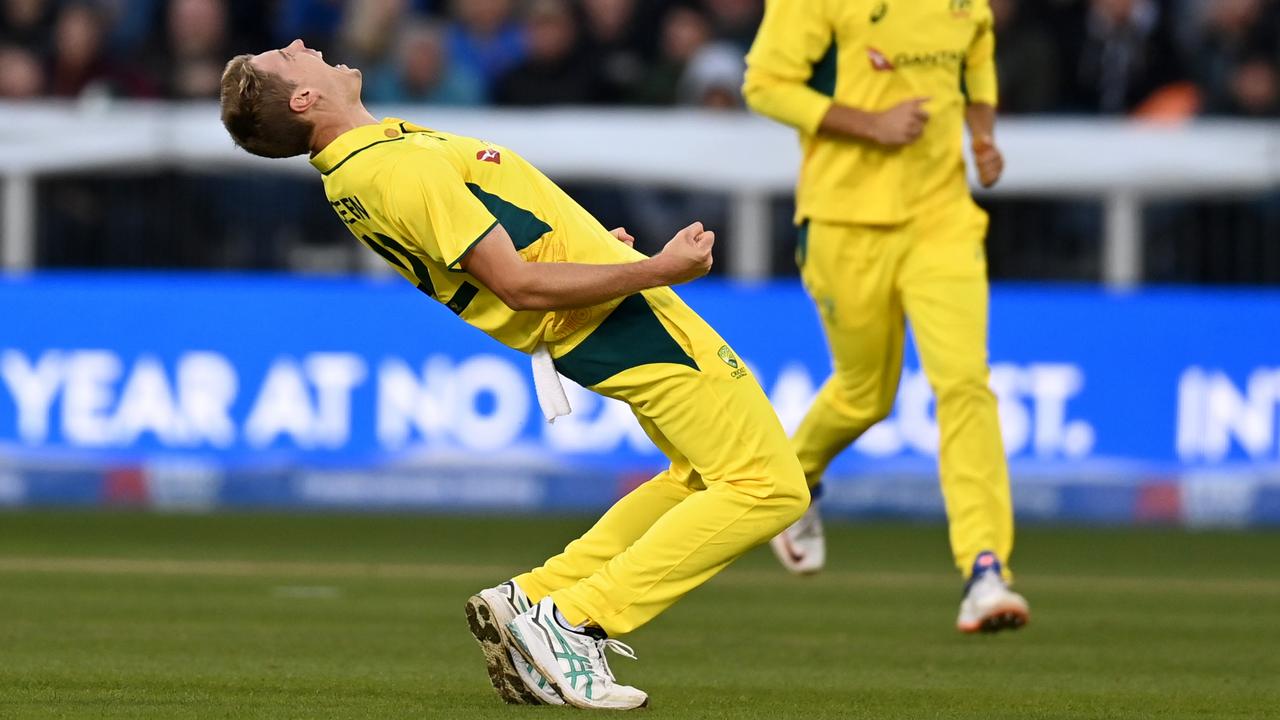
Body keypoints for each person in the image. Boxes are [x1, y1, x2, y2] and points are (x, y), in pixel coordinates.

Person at [219, 39, 808, 710]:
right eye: (288, 55)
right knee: (769, 488)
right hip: (620, 323)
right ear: (304, 100)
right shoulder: (391, 169)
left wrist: (593, 254)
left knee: (699, 477)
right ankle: (575, 621)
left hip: (595, 318)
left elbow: (514, 241)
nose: (303, 44)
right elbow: (519, 284)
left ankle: (536, 598)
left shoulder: (366, 162)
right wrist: (658, 269)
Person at [743, 0, 1030, 634]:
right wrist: (868, 124)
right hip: (843, 224)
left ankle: (986, 570)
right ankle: (795, 482)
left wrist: (982, 136)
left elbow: (975, 64)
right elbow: (764, 85)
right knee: (865, 395)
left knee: (964, 384)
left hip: (944, 222)